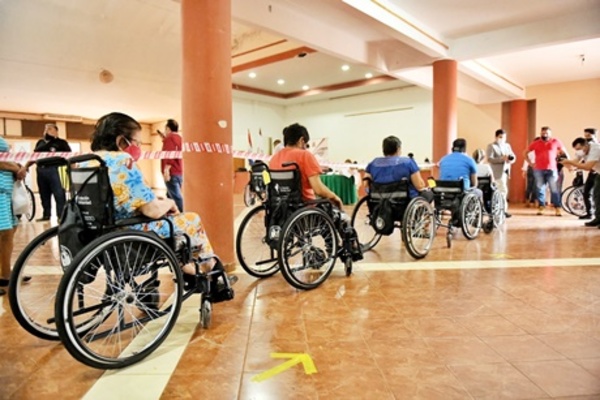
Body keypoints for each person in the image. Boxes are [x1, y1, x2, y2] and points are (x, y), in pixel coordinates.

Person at [89, 112, 235, 291]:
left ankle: (187, 266)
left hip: (100, 229)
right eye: (137, 143)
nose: (139, 148)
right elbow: (151, 211)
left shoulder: (89, 162)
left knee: (175, 222)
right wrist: (169, 203)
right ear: (121, 141)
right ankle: (208, 269)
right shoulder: (121, 161)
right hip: (129, 228)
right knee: (191, 220)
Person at [269, 123, 343, 209]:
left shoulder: (273, 159)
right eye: (306, 144)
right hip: (304, 207)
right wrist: (335, 197)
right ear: (302, 140)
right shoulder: (305, 155)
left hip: (280, 208)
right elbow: (319, 190)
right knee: (340, 216)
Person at [364, 136, 433, 202]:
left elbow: (366, 183)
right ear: (398, 148)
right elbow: (419, 186)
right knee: (428, 194)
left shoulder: (373, 163)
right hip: (404, 202)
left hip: (378, 201)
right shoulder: (408, 162)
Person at [0, 138, 27, 295]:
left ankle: (6, 272)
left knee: (9, 231)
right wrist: (15, 168)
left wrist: (19, 166)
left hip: (6, 190)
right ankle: (4, 276)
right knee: (5, 233)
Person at [524, 126, 568, 216]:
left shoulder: (556, 142)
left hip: (552, 169)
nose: (545, 134)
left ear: (550, 134)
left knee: (554, 189)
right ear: (540, 133)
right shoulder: (535, 143)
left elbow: (564, 152)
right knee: (540, 189)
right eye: (543, 133)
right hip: (538, 169)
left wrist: (567, 163)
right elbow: (525, 152)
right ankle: (541, 206)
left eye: (547, 133)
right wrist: (530, 163)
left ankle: (557, 207)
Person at [33, 123, 71, 221]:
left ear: (56, 131)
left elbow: (70, 157)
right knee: (43, 193)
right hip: (41, 170)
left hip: (56, 169)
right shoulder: (40, 142)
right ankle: (46, 214)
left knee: (59, 193)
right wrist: (25, 167)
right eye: (45, 129)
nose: (46, 131)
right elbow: (33, 157)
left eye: (49, 129)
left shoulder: (61, 143)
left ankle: (61, 216)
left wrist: (72, 170)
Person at [560, 137, 600, 227]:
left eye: (579, 149)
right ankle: (598, 218)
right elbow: (575, 162)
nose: (579, 152)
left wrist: (571, 163)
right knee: (596, 196)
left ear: (585, 145)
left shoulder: (596, 149)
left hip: (597, 172)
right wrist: (565, 162)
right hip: (598, 172)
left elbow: (587, 167)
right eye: (576, 150)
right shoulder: (583, 150)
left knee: (598, 195)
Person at [486, 129, 516, 217]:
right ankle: (502, 210)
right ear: (496, 137)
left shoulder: (507, 145)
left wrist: (511, 159)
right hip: (496, 172)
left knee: (503, 191)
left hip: (505, 171)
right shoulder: (491, 146)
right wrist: (502, 159)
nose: (502, 139)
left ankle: (503, 209)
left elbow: (513, 156)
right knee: (502, 190)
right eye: (500, 137)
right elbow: (490, 159)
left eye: (504, 138)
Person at [160, 119, 183, 212]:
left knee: (176, 197)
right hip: (179, 171)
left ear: (168, 128)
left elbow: (169, 154)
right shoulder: (179, 138)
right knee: (169, 195)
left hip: (172, 171)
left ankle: (185, 215)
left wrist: (166, 170)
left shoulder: (169, 138)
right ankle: (169, 213)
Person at [580, 128, 597, 220]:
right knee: (587, 192)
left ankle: (595, 215)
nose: (586, 138)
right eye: (585, 136)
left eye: (589, 136)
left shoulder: (596, 146)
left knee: (595, 194)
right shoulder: (586, 146)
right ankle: (589, 213)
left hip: (596, 172)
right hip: (591, 172)